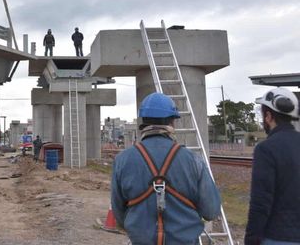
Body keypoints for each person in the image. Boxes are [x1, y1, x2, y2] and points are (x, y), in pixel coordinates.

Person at [111, 92, 221, 245]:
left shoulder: (122, 160)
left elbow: (119, 215)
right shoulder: (193, 160)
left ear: (143, 122)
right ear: (172, 123)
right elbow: (211, 210)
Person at [245, 87, 300, 245]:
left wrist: (251, 239)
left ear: (268, 116)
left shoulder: (266, 149)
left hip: (277, 237)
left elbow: (261, 202)